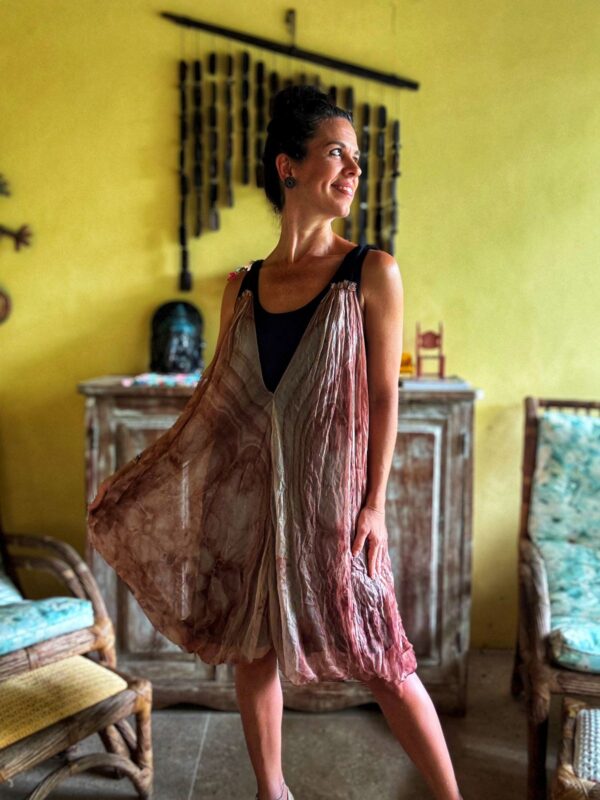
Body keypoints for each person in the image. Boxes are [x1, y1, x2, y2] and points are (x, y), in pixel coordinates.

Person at [88, 85, 463, 800]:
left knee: (383, 657)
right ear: (288, 166)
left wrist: (375, 504)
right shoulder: (242, 287)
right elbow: (217, 406)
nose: (354, 169)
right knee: (251, 647)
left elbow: (385, 397)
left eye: (357, 157)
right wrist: (137, 480)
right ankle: (272, 791)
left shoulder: (371, 272)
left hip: (336, 504)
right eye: (336, 153)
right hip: (247, 501)